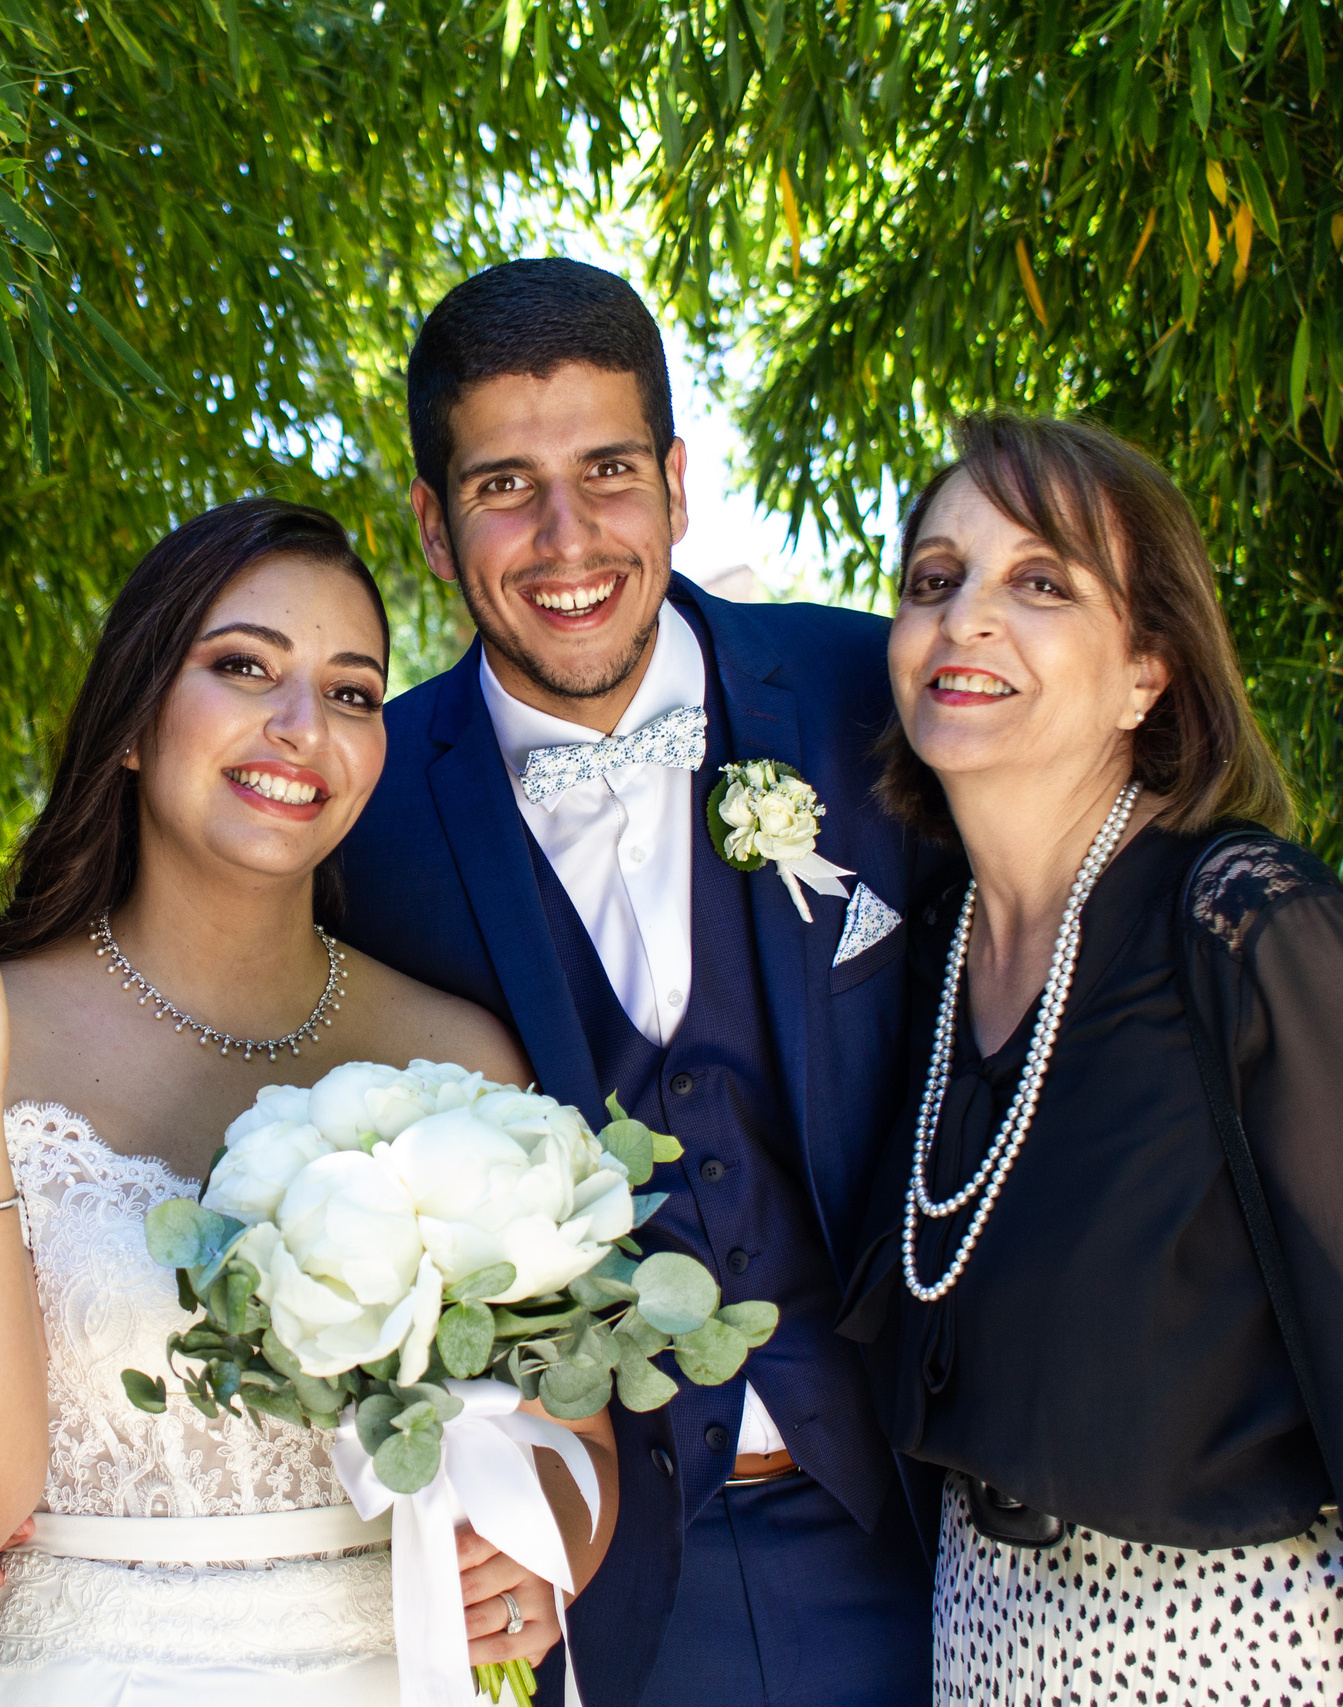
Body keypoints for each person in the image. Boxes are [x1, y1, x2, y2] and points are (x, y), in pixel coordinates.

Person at [834, 412, 1343, 1702]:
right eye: (933, 580)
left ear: (1148, 672)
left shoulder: (1245, 919)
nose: (964, 620)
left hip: (1239, 1644)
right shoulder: (933, 953)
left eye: (1041, 582)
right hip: (985, 1643)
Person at [0, 497, 621, 1706]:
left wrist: (543, 1550)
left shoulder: (459, 1058)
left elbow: (574, 1442)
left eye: (354, 692)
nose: (303, 727)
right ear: (137, 721)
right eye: (244, 666)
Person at [334, 258, 939, 1707]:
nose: (566, 536)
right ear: (431, 525)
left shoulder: (871, 695)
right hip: (588, 1589)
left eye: (609, 469)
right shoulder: (358, 817)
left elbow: (1084, 875)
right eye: (502, 486)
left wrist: (1288, 1008)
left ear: (675, 477)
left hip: (918, 1532)